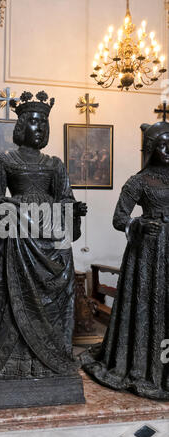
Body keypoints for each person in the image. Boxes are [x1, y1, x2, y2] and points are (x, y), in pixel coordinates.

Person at [0, 91, 87, 381]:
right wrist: (12, 205)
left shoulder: (55, 165)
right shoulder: (4, 161)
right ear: (21, 126)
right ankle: (11, 363)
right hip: (16, 245)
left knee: (52, 307)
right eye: (35, 123)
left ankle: (49, 361)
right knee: (11, 304)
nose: (41, 129)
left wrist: (74, 209)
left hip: (51, 247)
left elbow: (64, 199)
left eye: (44, 125)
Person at [81, 121, 169, 400]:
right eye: (162, 145)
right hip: (148, 253)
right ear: (152, 148)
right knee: (148, 305)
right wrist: (139, 225)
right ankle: (143, 365)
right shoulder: (139, 181)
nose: (168, 151)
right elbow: (119, 219)